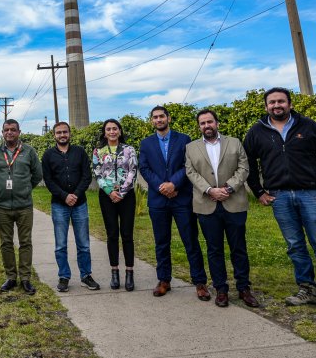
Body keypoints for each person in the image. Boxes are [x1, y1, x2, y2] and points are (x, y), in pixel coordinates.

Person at [244, 87, 316, 319]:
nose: (277, 105)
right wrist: (259, 192)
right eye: (272, 102)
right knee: (295, 244)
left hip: (309, 194)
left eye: (281, 101)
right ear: (266, 106)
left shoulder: (309, 126)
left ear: (290, 104)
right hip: (280, 196)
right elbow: (247, 165)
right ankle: (307, 289)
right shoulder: (257, 131)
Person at [185, 110, 259, 308]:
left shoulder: (234, 142)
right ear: (199, 126)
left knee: (239, 248)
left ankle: (244, 288)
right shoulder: (191, 147)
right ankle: (221, 289)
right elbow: (190, 172)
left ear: (216, 123)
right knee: (214, 249)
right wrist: (209, 190)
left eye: (210, 121)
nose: (206, 125)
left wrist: (228, 188)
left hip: (233, 202)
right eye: (202, 123)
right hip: (206, 204)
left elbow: (244, 168)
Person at [137, 105, 208, 300]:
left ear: (168, 118)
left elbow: (188, 165)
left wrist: (174, 184)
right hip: (159, 200)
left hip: (181, 198)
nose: (159, 120)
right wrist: (162, 186)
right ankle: (164, 280)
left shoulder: (183, 139)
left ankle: (200, 282)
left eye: (162, 116)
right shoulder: (146, 143)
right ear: (152, 121)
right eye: (155, 117)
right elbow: (144, 168)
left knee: (190, 240)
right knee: (161, 242)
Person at [41, 121, 100, 293]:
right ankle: (64, 276)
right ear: (54, 135)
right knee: (61, 244)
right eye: (58, 133)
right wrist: (65, 196)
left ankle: (86, 276)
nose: (62, 135)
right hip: (59, 205)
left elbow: (86, 176)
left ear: (69, 133)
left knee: (84, 244)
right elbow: (48, 180)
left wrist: (75, 195)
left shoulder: (80, 152)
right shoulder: (48, 155)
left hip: (80, 204)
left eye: (65, 132)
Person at [0, 119, 43, 295]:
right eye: (6, 130)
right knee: (6, 242)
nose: (9, 133)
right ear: (2, 133)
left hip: (24, 205)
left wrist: (25, 188)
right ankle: (11, 277)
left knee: (25, 242)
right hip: (2, 206)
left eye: (13, 130)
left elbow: (37, 174)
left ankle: (25, 279)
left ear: (19, 132)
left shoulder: (29, 151)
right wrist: (1, 188)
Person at [91, 118, 138, 291]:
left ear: (119, 131)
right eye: (108, 129)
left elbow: (133, 171)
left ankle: (130, 273)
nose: (112, 132)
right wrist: (110, 191)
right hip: (107, 196)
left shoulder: (129, 150)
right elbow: (97, 173)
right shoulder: (98, 151)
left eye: (115, 129)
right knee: (112, 235)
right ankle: (114, 272)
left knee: (127, 234)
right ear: (105, 132)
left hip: (127, 196)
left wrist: (122, 192)